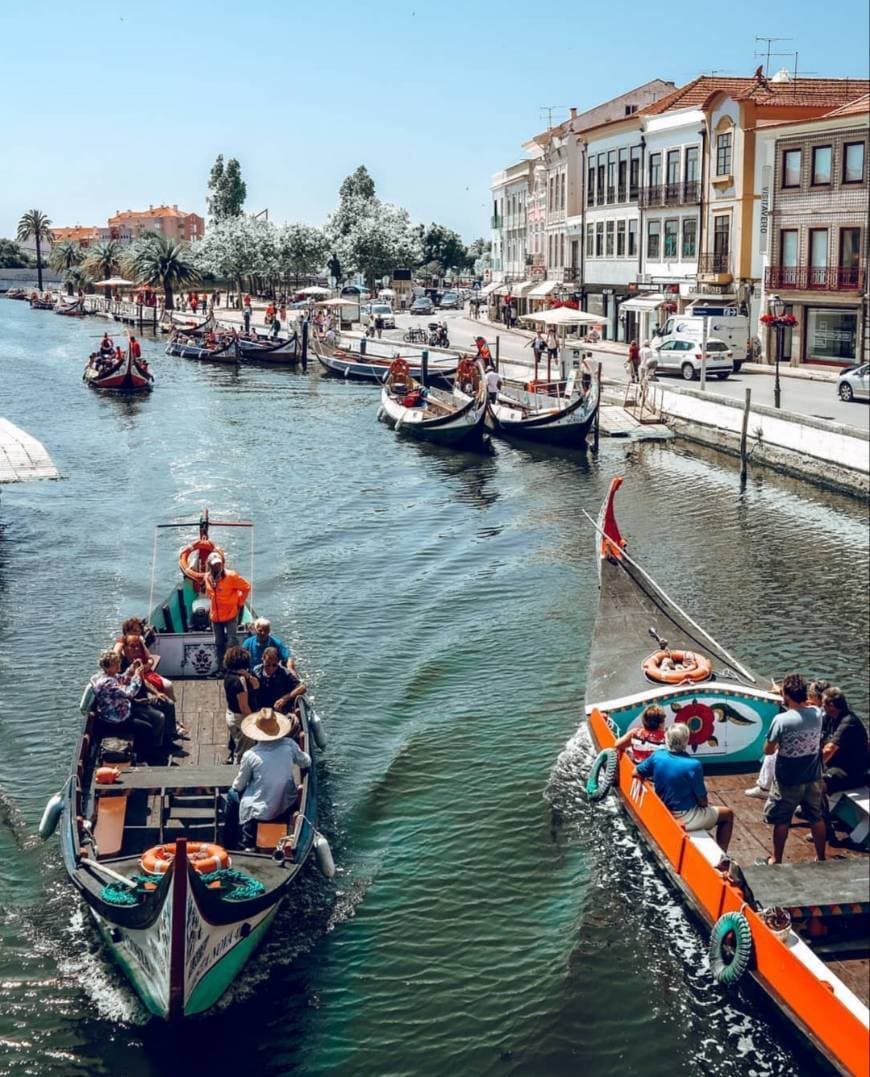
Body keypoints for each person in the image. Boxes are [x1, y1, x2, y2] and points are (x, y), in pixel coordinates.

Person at [635, 723, 734, 852]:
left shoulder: (657, 756)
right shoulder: (693, 765)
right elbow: (703, 801)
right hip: (684, 816)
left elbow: (636, 772)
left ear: (667, 739)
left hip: (662, 809)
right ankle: (723, 854)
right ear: (686, 741)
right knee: (728, 814)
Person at [223, 708, 311, 849]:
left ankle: (230, 841)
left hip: (259, 811)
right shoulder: (289, 745)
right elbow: (306, 761)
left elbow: (239, 785)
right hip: (285, 802)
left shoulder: (250, 755)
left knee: (232, 794)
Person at [762, 673, 826, 864]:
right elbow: (807, 709)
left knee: (782, 820)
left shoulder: (781, 720)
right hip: (813, 776)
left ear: (786, 695)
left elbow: (768, 749)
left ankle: (777, 858)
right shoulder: (817, 714)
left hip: (788, 779)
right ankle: (821, 857)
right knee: (816, 817)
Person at [746, 677, 830, 799]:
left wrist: (786, 695)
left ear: (818, 698)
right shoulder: (817, 711)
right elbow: (803, 703)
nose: (808, 696)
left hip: (806, 757)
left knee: (772, 754)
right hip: (812, 752)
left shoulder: (818, 713)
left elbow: (768, 750)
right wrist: (782, 692)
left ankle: (764, 787)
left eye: (811, 695)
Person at [89, 650, 167, 763]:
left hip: (124, 709)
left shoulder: (110, 675)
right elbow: (129, 693)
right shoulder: (107, 683)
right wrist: (136, 676)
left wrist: (131, 669)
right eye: (116, 663)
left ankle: (155, 750)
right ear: (108, 667)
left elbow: (122, 679)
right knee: (146, 728)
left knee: (153, 718)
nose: (119, 665)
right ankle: (145, 757)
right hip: (115, 719)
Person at [204, 552, 251, 667]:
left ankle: (233, 667)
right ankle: (221, 668)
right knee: (219, 643)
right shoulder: (207, 577)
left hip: (230, 615)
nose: (217, 566)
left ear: (222, 563)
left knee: (231, 642)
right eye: (214, 564)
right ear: (209, 565)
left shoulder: (231, 576)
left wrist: (239, 602)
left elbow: (246, 587)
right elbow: (209, 593)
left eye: (219, 564)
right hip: (215, 617)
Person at [820, 688, 869, 797]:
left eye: (823, 703)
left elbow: (829, 749)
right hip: (834, 763)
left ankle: (817, 810)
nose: (822, 706)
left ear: (831, 705)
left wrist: (810, 768)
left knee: (819, 782)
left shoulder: (848, 722)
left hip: (850, 770)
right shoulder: (830, 718)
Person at [223, 645, 260, 763]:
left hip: (231, 714)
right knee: (243, 753)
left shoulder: (228, 675)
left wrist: (248, 675)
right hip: (241, 718)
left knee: (238, 745)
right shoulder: (239, 681)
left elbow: (256, 685)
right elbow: (244, 706)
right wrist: (254, 721)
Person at [253, 647, 306, 713]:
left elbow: (302, 687)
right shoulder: (256, 672)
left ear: (278, 662)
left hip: (280, 710)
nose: (271, 668)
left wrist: (284, 699)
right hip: (262, 711)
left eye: (274, 665)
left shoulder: (284, 673)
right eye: (267, 665)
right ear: (262, 659)